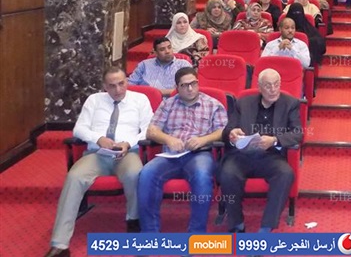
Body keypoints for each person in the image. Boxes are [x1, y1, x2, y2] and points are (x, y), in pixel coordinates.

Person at [45, 68, 153, 257]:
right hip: (97, 154)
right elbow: (79, 129)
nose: (118, 90)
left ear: (127, 81)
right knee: (74, 177)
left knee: (135, 173)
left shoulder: (140, 100)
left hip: (127, 153)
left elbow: (148, 130)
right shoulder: (94, 100)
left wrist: (128, 143)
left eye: (121, 83)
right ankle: (60, 244)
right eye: (112, 86)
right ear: (104, 86)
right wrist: (98, 138)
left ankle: (133, 220)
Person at [138, 67, 228, 233]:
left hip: (200, 154)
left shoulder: (213, 104)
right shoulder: (168, 104)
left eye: (193, 83)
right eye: (185, 85)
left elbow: (223, 132)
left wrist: (203, 139)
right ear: (177, 87)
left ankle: (196, 233)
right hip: (170, 155)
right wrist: (168, 139)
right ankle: (150, 233)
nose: (190, 88)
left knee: (202, 176)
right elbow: (152, 131)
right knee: (146, 173)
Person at [219, 69, 303, 233]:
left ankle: (266, 227)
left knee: (285, 174)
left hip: (270, 155)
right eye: (268, 85)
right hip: (241, 155)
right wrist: (232, 134)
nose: (273, 89)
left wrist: (274, 140)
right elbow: (228, 130)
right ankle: (237, 223)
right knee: (227, 173)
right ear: (259, 87)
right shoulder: (243, 103)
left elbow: (297, 133)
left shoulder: (290, 103)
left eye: (276, 84)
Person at [286, 2, 326, 66]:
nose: (297, 15)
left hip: (304, 58)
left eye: (298, 13)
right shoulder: (283, 27)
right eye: (294, 13)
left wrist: (305, 42)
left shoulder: (308, 27)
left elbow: (320, 43)